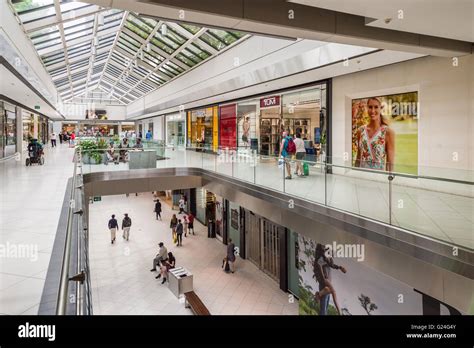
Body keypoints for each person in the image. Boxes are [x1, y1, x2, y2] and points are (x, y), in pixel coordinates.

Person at [354, 97, 395, 172]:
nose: (373, 111)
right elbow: (358, 158)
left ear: (380, 108)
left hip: (378, 180)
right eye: (370, 107)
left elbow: (390, 164)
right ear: (367, 108)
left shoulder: (388, 132)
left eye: (376, 107)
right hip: (361, 177)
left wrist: (389, 182)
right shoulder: (361, 131)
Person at [313, 244, 347, 315]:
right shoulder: (321, 259)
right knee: (324, 307)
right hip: (324, 282)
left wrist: (340, 267)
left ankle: (318, 295)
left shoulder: (327, 258)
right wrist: (323, 280)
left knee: (326, 305)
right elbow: (319, 267)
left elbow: (332, 265)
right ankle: (339, 312)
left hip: (327, 282)